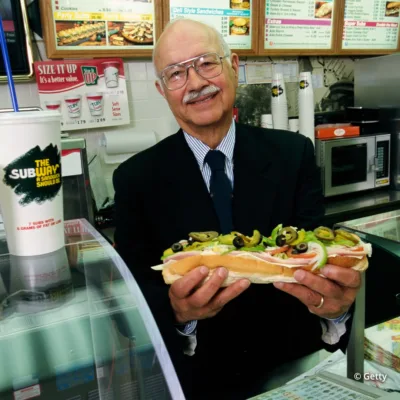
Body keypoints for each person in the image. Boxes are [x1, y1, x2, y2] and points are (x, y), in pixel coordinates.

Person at [112, 19, 361, 400]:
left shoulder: (293, 154)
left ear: (233, 66)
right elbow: (131, 302)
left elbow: (312, 259)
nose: (196, 82)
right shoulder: (135, 179)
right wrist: (178, 312)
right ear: (162, 90)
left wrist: (336, 309)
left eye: (206, 63)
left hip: (293, 366)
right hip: (200, 376)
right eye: (176, 73)